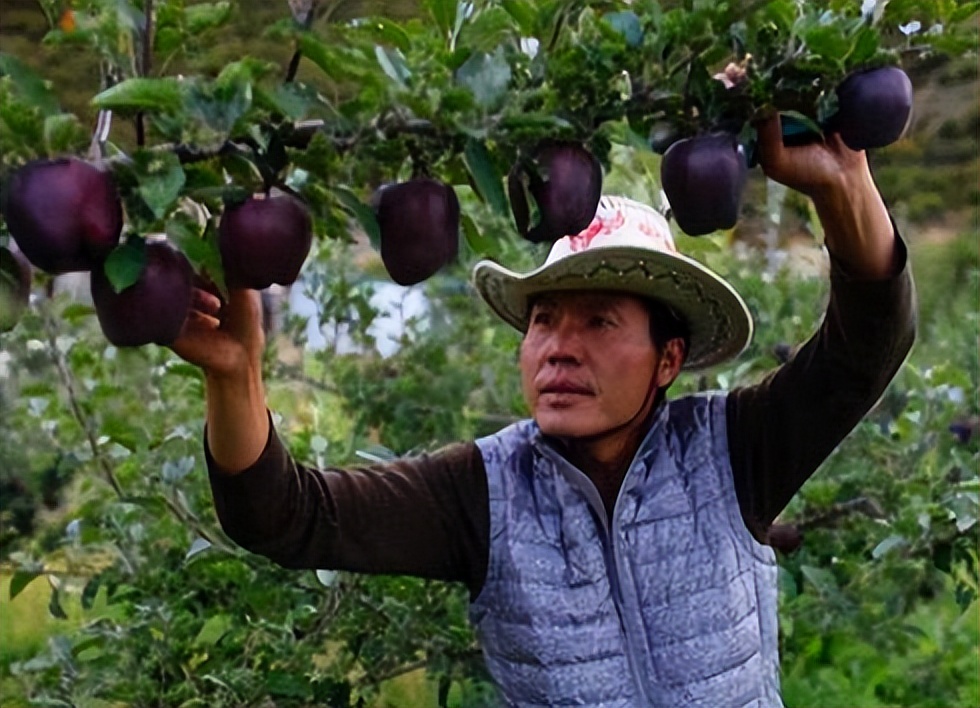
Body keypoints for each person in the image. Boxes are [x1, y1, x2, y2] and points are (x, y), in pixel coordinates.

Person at [170, 115, 916, 707]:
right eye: (543, 320)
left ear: (668, 360)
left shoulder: (732, 453)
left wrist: (841, 186)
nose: (558, 347)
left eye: (598, 322)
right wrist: (238, 378)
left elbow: (866, 346)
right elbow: (282, 516)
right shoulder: (483, 495)